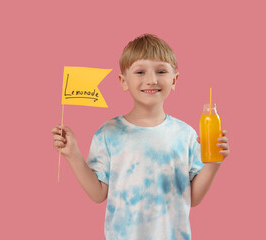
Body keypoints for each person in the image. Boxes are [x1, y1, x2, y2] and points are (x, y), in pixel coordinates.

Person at [51, 33, 230, 240]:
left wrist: (214, 163)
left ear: (175, 80)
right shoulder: (108, 133)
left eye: (161, 71)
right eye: (140, 72)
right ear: (123, 81)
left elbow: (193, 198)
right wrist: (73, 154)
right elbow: (98, 193)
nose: (151, 80)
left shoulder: (186, 134)